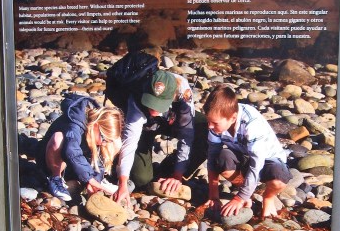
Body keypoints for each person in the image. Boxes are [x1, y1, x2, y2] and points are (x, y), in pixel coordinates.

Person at [113, 69, 207, 207]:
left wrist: (177, 175)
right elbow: (130, 142)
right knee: (141, 180)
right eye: (151, 102)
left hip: (174, 120)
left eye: (159, 105)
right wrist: (122, 183)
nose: (154, 110)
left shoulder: (183, 91)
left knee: (206, 128)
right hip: (146, 128)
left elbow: (187, 136)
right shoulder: (137, 96)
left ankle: (171, 169)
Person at [203, 85, 292, 218]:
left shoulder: (252, 124)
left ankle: (267, 198)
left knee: (278, 180)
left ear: (233, 118)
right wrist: (213, 196)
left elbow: (256, 166)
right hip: (242, 155)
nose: (210, 126)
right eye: (208, 121)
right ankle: (247, 190)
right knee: (220, 158)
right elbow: (212, 160)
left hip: (268, 160)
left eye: (214, 123)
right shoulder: (214, 125)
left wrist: (239, 198)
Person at [37, 93, 123, 202]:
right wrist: (90, 180)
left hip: (75, 166)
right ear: (96, 126)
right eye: (104, 138)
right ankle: (56, 179)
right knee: (58, 138)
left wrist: (95, 180)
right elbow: (72, 151)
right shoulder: (75, 125)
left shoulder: (95, 132)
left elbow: (97, 156)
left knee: (116, 142)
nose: (104, 143)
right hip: (52, 160)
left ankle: (97, 180)